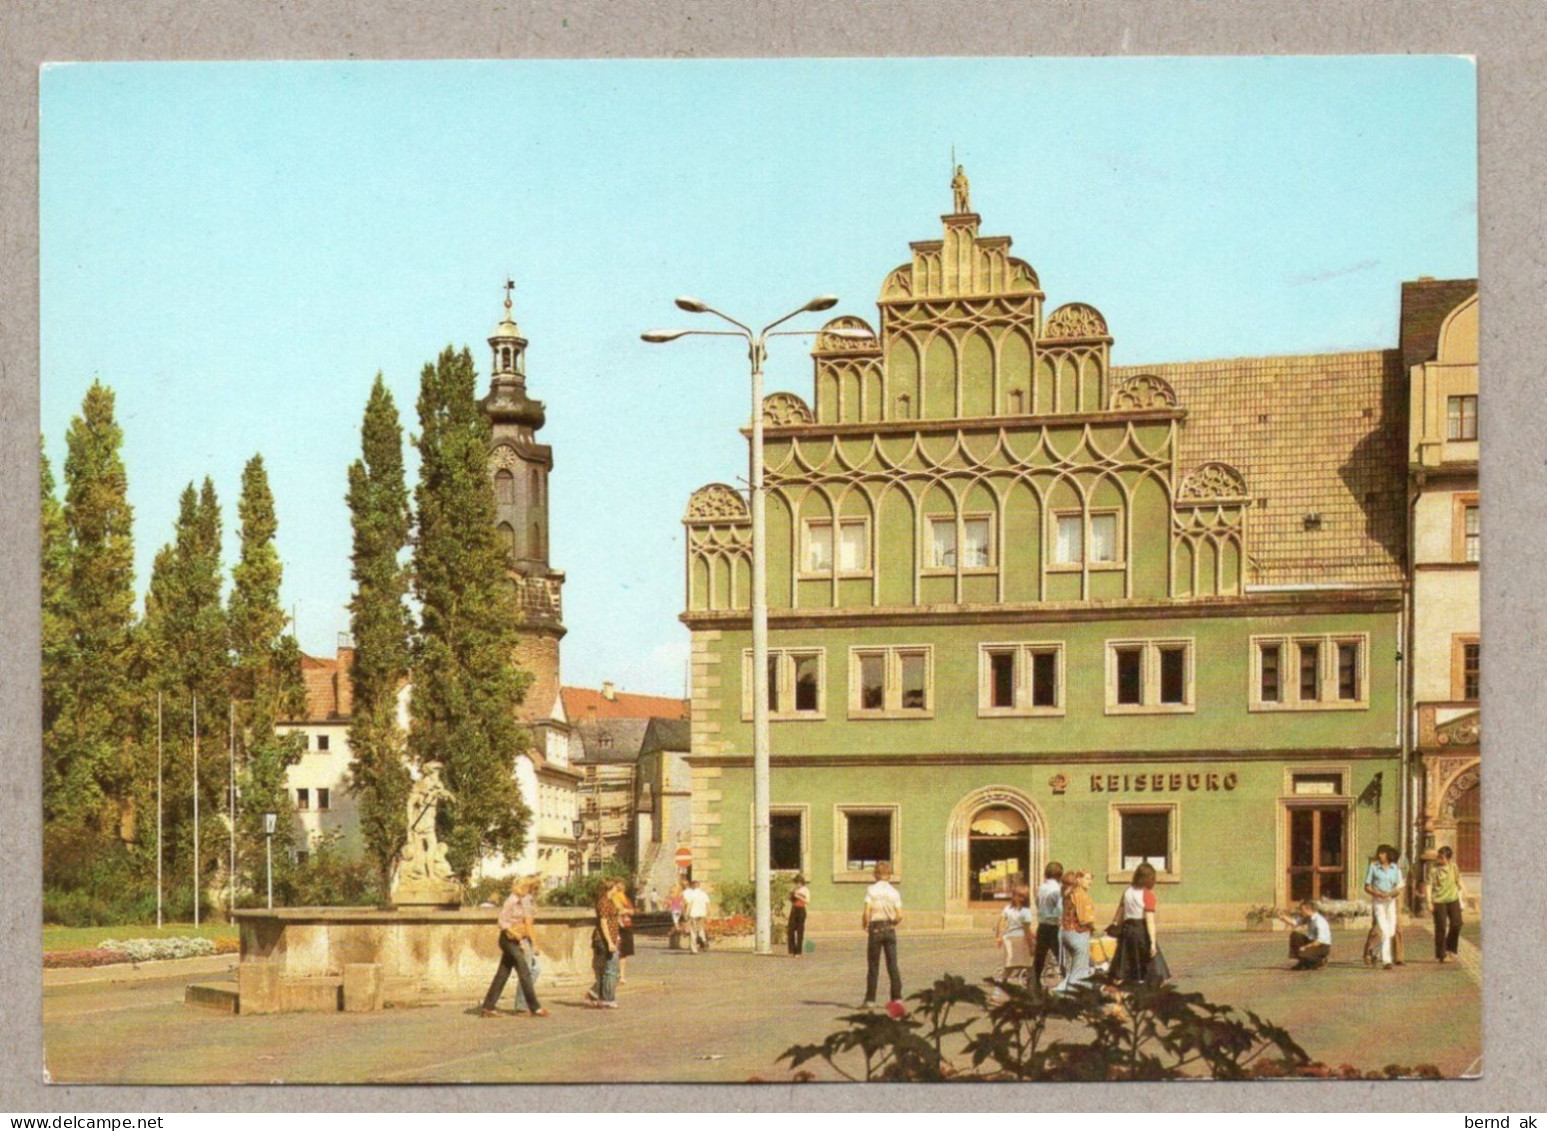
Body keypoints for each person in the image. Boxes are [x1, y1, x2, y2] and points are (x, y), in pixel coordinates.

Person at [479, 875, 548, 1019]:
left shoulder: (523, 901)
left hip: (516, 940)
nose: (529, 892)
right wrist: (515, 934)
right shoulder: (512, 900)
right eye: (529, 888)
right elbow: (502, 922)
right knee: (525, 972)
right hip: (508, 940)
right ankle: (535, 1007)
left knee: (502, 974)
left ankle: (488, 1007)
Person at [1106, 861, 1168, 986]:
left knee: (1125, 959)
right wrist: (1152, 943)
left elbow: (1120, 913)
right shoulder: (1148, 895)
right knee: (1153, 964)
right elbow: (1150, 920)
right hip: (1141, 929)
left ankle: (1124, 981)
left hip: (1127, 928)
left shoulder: (1127, 891)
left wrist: (1113, 926)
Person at [861, 862, 903, 1009]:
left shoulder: (871, 890)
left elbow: (867, 911)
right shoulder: (894, 892)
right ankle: (897, 998)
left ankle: (870, 1000)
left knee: (873, 966)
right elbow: (899, 916)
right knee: (893, 965)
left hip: (876, 929)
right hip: (889, 929)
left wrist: (865, 924)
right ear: (889, 875)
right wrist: (892, 923)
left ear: (876, 874)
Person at [1054, 870, 1097, 994]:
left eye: (1091, 879)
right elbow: (1084, 918)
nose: (1090, 882)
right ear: (1078, 880)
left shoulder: (1068, 893)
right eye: (1087, 879)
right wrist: (1093, 927)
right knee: (1079, 973)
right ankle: (1071, 1001)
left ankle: (1059, 991)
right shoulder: (1081, 895)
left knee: (1075, 969)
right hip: (1078, 933)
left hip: (1065, 933)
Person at [1364, 843, 1405, 970]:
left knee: (1391, 931)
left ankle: (1375, 952)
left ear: (1388, 855)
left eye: (1383, 853)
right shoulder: (1373, 867)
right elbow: (1367, 886)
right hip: (1378, 902)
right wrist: (1376, 893)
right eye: (1379, 853)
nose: (1380, 855)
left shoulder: (1395, 868)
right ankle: (1387, 961)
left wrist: (1391, 893)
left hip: (1390, 901)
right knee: (1384, 929)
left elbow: (1399, 886)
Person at [511, 876, 546, 1013]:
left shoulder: (528, 900)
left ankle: (523, 1002)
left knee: (533, 969)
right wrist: (536, 944)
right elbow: (528, 924)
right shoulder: (526, 901)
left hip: (524, 938)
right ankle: (521, 1004)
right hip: (523, 939)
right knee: (529, 971)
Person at [1427, 845, 1467, 963]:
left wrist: (1465, 891)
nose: (1439, 859)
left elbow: (1458, 879)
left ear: (1448, 859)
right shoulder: (1433, 869)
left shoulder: (1453, 867)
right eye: (1438, 856)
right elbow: (1428, 885)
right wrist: (1429, 902)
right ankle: (1441, 954)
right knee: (1441, 927)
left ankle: (1451, 948)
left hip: (1453, 899)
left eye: (1441, 857)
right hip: (1439, 901)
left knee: (1457, 923)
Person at [993, 884, 1034, 992]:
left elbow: (1000, 923)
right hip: (1021, 938)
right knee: (1029, 964)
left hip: (1008, 938)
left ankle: (1002, 983)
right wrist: (1031, 946)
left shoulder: (1007, 909)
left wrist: (998, 937)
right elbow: (1026, 930)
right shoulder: (1026, 912)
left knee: (1009, 964)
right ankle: (1031, 987)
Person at [587, 882, 621, 1009]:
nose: (617, 890)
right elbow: (603, 923)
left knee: (606, 969)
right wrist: (609, 942)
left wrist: (616, 937)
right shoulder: (604, 902)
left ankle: (597, 994)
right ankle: (607, 998)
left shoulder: (609, 901)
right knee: (611, 969)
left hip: (608, 939)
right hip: (603, 940)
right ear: (611, 888)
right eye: (616, 888)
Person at [1033, 861, 1065, 986]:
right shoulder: (1057, 889)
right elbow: (1060, 909)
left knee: (1039, 958)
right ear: (1059, 875)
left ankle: (1034, 984)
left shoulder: (1041, 888)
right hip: (1054, 926)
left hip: (1042, 925)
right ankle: (1069, 983)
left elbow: (1037, 902)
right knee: (1061, 956)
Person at [1277, 899, 1332, 970]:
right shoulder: (1308, 918)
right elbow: (1295, 922)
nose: (1300, 911)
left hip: (1322, 946)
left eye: (1302, 909)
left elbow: (1319, 941)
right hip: (1312, 942)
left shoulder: (1320, 921)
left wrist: (1305, 947)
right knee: (1295, 935)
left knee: (1304, 954)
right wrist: (1283, 917)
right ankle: (1302, 962)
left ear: (1308, 909)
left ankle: (1319, 960)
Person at [610, 878, 636, 982]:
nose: (622, 887)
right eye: (620, 885)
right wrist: (625, 911)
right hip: (617, 925)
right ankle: (615, 973)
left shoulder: (625, 898)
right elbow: (613, 912)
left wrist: (626, 911)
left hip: (626, 925)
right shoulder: (612, 897)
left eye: (623, 885)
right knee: (616, 951)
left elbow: (632, 911)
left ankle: (622, 975)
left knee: (624, 952)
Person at [681, 878, 711, 953]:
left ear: (692, 886)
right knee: (700, 928)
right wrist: (708, 915)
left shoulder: (692, 895)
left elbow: (689, 905)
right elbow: (707, 905)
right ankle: (704, 941)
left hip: (693, 914)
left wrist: (686, 914)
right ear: (699, 886)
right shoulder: (704, 894)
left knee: (693, 931)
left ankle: (694, 949)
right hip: (702, 914)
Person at [788, 874, 811, 957]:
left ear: (801, 882)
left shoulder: (805, 890)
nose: (797, 885)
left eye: (798, 883)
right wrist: (790, 895)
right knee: (790, 929)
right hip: (794, 909)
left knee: (800, 930)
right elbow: (792, 900)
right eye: (796, 883)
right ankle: (792, 950)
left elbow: (808, 901)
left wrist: (798, 896)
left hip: (801, 910)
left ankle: (798, 951)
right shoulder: (796, 889)